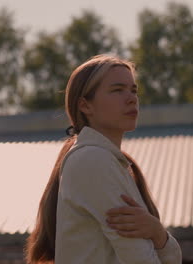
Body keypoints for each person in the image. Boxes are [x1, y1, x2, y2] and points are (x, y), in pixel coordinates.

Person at [25, 54, 182, 263]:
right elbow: (141, 258)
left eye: (133, 90)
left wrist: (157, 232)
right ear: (85, 105)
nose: (131, 98)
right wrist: (160, 237)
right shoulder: (93, 160)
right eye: (117, 90)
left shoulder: (104, 160)